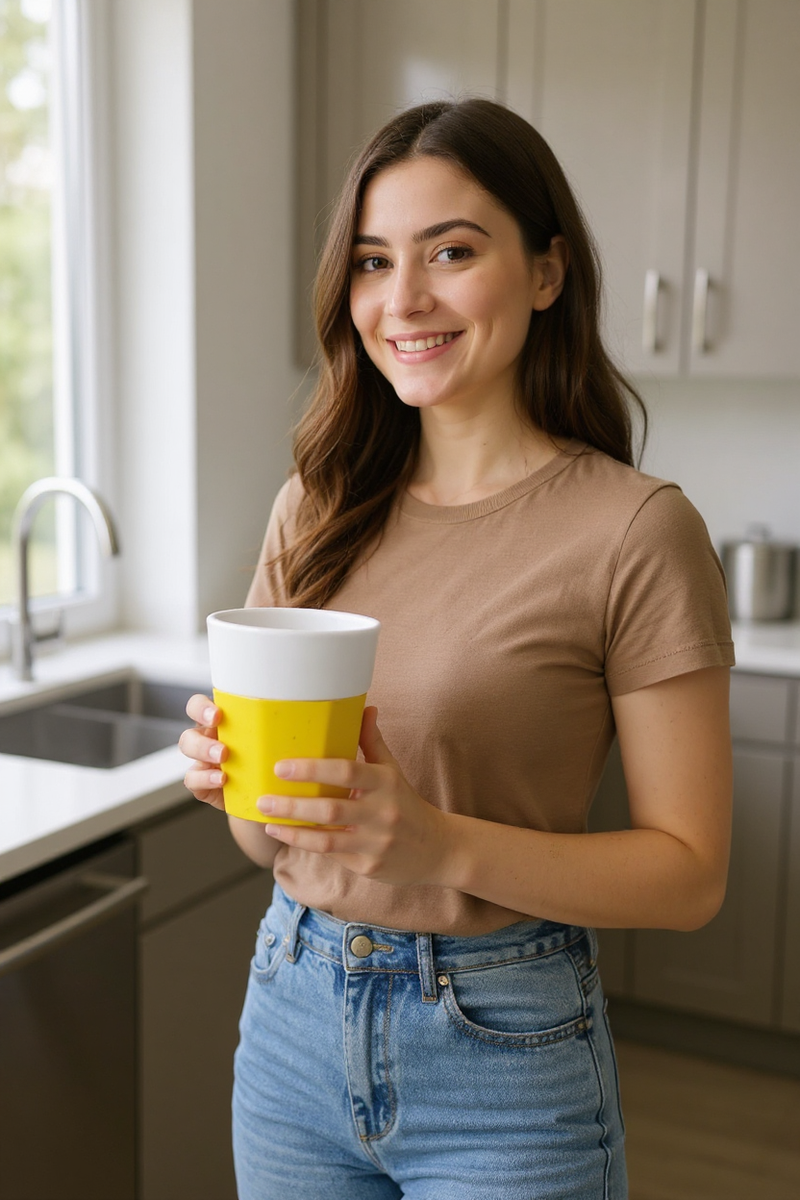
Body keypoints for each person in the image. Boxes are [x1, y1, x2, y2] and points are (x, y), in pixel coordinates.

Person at [180, 98, 734, 1200]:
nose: (405, 299)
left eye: (452, 251)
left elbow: (687, 875)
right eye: (374, 261)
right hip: (292, 1012)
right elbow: (265, 844)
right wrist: (236, 783)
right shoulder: (317, 504)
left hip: (503, 1047)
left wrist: (434, 845)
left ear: (545, 272)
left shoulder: (632, 529)